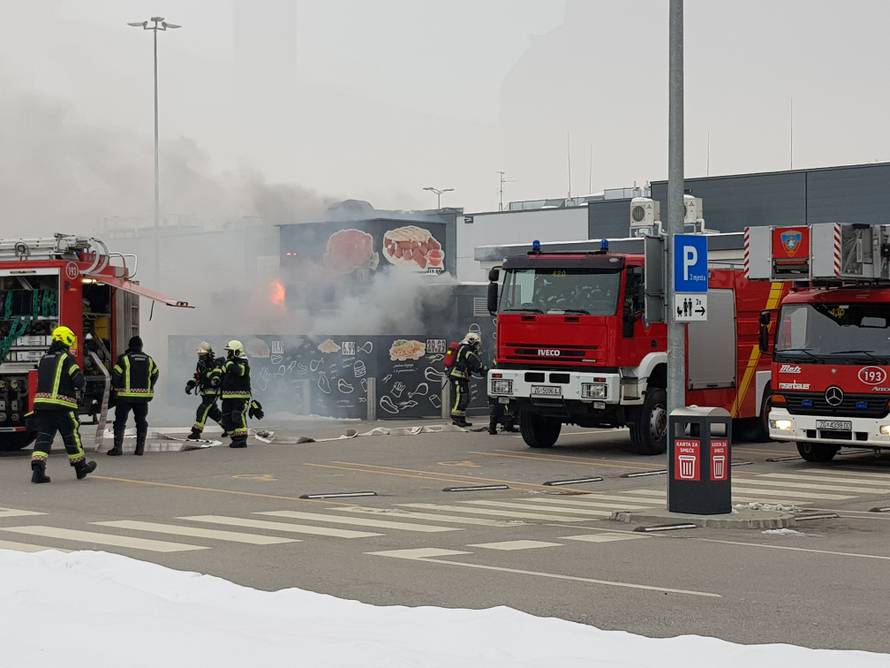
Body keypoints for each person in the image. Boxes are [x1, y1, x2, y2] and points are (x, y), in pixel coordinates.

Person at [28, 326, 97, 483]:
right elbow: (78, 381)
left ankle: (38, 471)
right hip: (62, 406)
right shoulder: (67, 359)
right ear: (66, 340)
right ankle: (81, 468)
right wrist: (83, 385)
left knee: (43, 437)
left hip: (42, 406)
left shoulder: (43, 358)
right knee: (71, 436)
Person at [108, 335, 159, 456]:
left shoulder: (124, 359)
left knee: (120, 421)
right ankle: (140, 449)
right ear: (141, 346)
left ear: (130, 346)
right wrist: (149, 386)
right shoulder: (149, 360)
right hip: (142, 398)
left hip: (125, 397)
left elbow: (115, 376)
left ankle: (118, 448)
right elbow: (156, 373)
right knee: (141, 421)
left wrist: (115, 388)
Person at [215, 340, 252, 448]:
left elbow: (241, 371)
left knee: (237, 415)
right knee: (226, 418)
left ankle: (241, 439)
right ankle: (234, 437)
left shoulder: (243, 362)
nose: (228, 354)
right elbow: (220, 372)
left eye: (230, 351)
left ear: (236, 351)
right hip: (227, 396)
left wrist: (229, 364)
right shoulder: (227, 363)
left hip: (241, 396)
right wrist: (216, 378)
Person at [186, 341, 226, 440]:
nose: (201, 357)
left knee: (202, 410)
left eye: (203, 355)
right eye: (199, 355)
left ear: (208, 354)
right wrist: (191, 385)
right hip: (205, 392)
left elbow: (216, 375)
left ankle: (196, 432)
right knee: (214, 413)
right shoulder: (200, 365)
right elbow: (198, 377)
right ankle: (228, 427)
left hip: (212, 392)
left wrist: (215, 379)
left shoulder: (214, 364)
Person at [449, 331, 486, 428]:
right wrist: (482, 368)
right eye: (476, 343)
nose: (477, 346)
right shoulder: (465, 348)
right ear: (471, 341)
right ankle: (456, 418)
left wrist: (478, 369)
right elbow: (473, 359)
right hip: (457, 376)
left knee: (465, 397)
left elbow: (470, 364)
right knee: (459, 397)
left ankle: (461, 418)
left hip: (462, 376)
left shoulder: (466, 349)